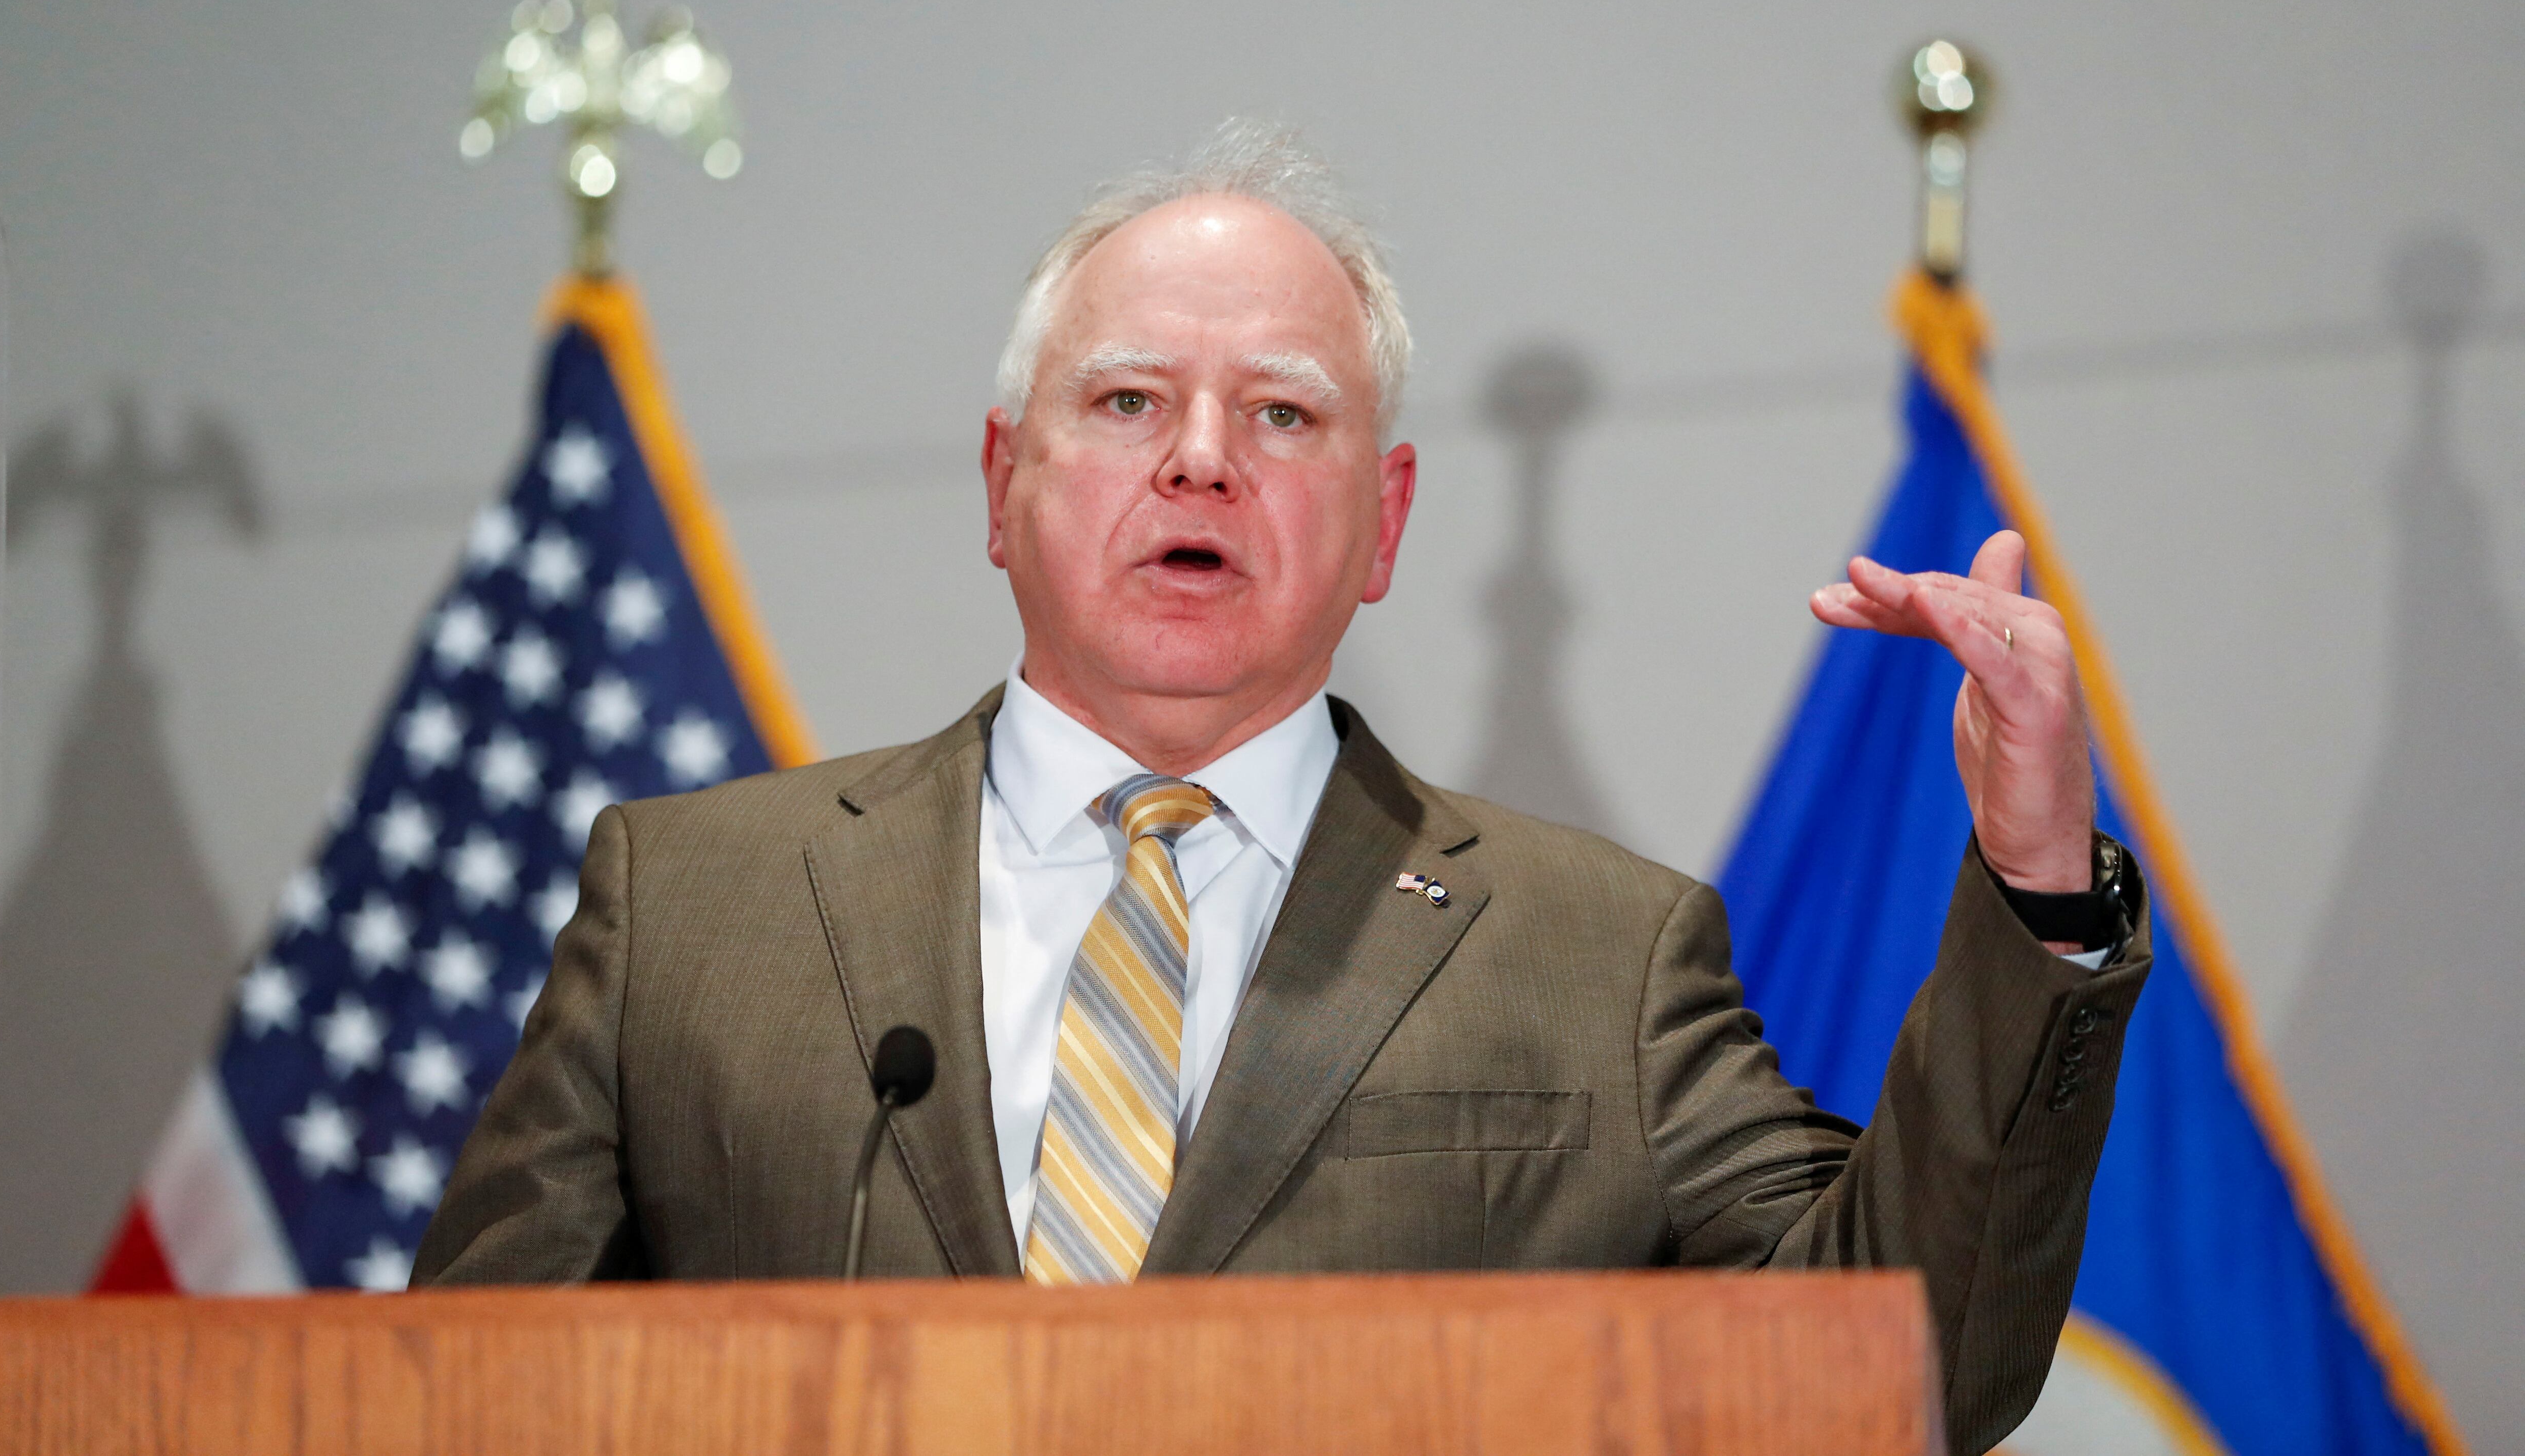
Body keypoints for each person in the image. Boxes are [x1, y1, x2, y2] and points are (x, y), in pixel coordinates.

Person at [415, 120, 2150, 1455]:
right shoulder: (694, 910)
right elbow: (459, 1410)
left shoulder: (1594, 956)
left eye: (1284, 418)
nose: (1200, 458)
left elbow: (1908, 1361)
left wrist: (2037, 888)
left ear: (1384, 523)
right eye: (1126, 400)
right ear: (1005, 483)